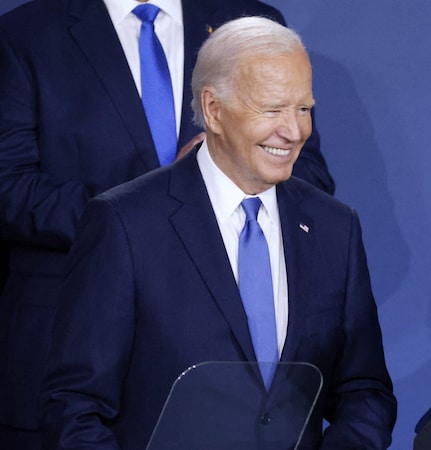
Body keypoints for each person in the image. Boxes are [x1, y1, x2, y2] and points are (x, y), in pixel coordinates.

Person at [40, 16, 396, 449]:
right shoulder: (125, 224)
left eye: (303, 108)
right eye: (272, 108)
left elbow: (365, 391)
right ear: (213, 110)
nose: (295, 130)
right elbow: (75, 407)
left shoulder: (334, 227)